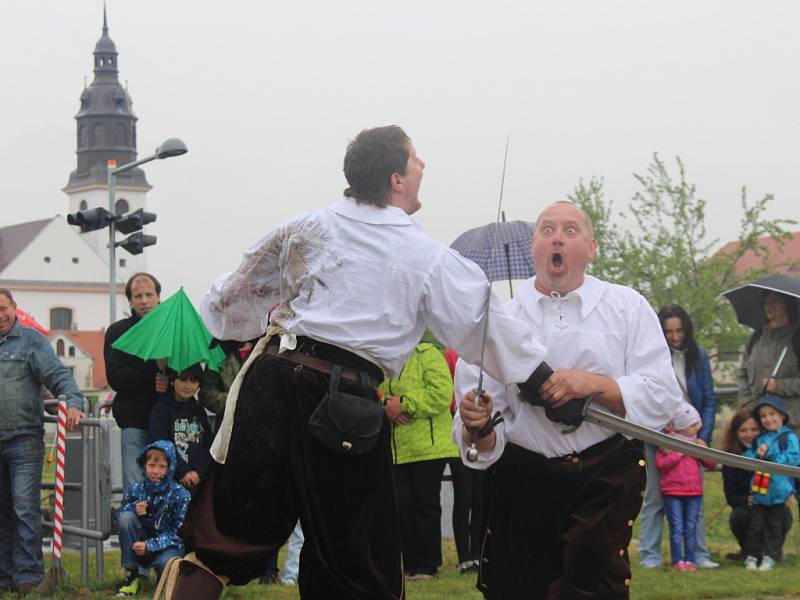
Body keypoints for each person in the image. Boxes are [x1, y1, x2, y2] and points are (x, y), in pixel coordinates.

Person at [175, 125, 552, 600]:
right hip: (340, 403)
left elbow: (229, 302)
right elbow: (486, 325)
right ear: (397, 178)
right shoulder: (423, 255)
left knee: (221, 544)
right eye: (416, 160)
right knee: (356, 567)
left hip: (269, 384)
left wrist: (235, 320)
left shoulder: (306, 227)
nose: (423, 167)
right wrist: (543, 382)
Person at [453, 201, 682, 599]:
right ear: (533, 247)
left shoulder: (626, 307)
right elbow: (483, 444)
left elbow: (662, 396)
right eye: (547, 230)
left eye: (571, 230)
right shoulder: (499, 323)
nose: (557, 237)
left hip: (604, 472)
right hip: (522, 476)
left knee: (591, 571)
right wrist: (479, 424)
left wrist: (595, 384)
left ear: (592, 248)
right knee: (517, 585)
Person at [0, 288, 84, 594]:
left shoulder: (32, 341)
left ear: (14, 308)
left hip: (23, 439)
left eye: (3, 308)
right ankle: (4, 575)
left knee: (24, 508)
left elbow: (59, 376)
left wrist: (74, 402)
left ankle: (27, 575)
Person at [638, 304, 719, 568]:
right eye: (669, 332)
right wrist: (662, 436)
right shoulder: (651, 358)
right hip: (659, 436)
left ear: (687, 330)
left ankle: (700, 554)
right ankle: (650, 556)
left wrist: (702, 437)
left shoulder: (700, 356)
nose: (674, 337)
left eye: (679, 331)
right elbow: (646, 397)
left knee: (694, 494)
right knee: (654, 498)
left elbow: (708, 398)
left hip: (693, 438)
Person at [378, 335, 458, 580]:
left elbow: (442, 393)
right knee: (402, 506)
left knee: (425, 505)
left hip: (430, 447)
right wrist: (386, 406)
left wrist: (404, 404)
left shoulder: (428, 353)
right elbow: (377, 390)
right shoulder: (385, 356)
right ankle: (410, 563)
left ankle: (427, 564)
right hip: (397, 448)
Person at [104, 273, 169, 490]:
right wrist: (152, 374)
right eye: (138, 295)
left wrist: (168, 379)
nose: (144, 300)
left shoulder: (170, 328)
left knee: (167, 487)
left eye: (149, 294)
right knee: (136, 489)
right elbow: (116, 377)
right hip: (134, 421)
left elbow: (190, 371)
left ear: (159, 296)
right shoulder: (118, 332)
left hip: (169, 420)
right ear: (130, 301)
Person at [115, 440, 191, 596]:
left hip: (167, 546)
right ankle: (132, 575)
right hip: (139, 544)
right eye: (151, 465)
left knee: (167, 562)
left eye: (162, 466)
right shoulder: (135, 489)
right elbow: (119, 517)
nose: (156, 471)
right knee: (126, 518)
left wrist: (149, 546)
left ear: (170, 468)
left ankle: (164, 580)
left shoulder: (181, 495)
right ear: (144, 466)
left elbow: (179, 533)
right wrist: (133, 509)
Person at [721, 406, 793, 562]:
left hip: (774, 502)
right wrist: (746, 499)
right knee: (740, 516)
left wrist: (789, 492)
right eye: (743, 430)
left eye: (754, 429)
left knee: (782, 515)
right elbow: (731, 497)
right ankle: (749, 552)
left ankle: (772, 552)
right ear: (735, 433)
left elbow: (790, 473)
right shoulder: (731, 458)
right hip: (751, 506)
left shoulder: (775, 452)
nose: (749, 435)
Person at [655, 403, 716, 571]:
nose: (697, 427)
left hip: (694, 492)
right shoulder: (666, 445)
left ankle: (690, 559)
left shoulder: (697, 443)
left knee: (691, 527)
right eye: (692, 425)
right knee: (676, 527)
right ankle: (677, 560)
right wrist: (679, 454)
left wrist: (704, 451)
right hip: (672, 492)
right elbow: (661, 465)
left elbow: (711, 464)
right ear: (681, 427)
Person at [742, 395, 800, 571]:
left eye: (772, 414)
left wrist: (769, 456)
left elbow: (793, 459)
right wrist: (757, 455)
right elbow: (749, 458)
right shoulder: (760, 439)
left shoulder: (788, 437)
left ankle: (770, 556)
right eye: (764, 416)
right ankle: (751, 556)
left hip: (779, 493)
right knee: (755, 527)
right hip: (760, 492)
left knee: (774, 527)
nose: (768, 419)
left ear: (782, 415)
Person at [445, 347, 484, 575]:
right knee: (464, 498)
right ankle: (464, 557)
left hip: (485, 436)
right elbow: (451, 395)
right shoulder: (453, 356)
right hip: (461, 438)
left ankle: (479, 554)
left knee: (480, 498)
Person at [738, 291, 800, 424]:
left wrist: (778, 386)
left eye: (775, 301)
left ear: (787, 304)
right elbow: (743, 374)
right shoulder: (756, 338)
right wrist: (746, 403)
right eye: (766, 302)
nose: (769, 306)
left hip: (790, 426)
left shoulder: (796, 338)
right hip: (757, 422)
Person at [149, 364, 213, 490]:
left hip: (197, 481)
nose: (188, 386)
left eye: (193, 381)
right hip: (170, 482)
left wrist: (197, 471)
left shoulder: (199, 412)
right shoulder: (161, 410)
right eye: (183, 380)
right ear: (172, 381)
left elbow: (208, 444)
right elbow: (161, 443)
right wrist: (182, 472)